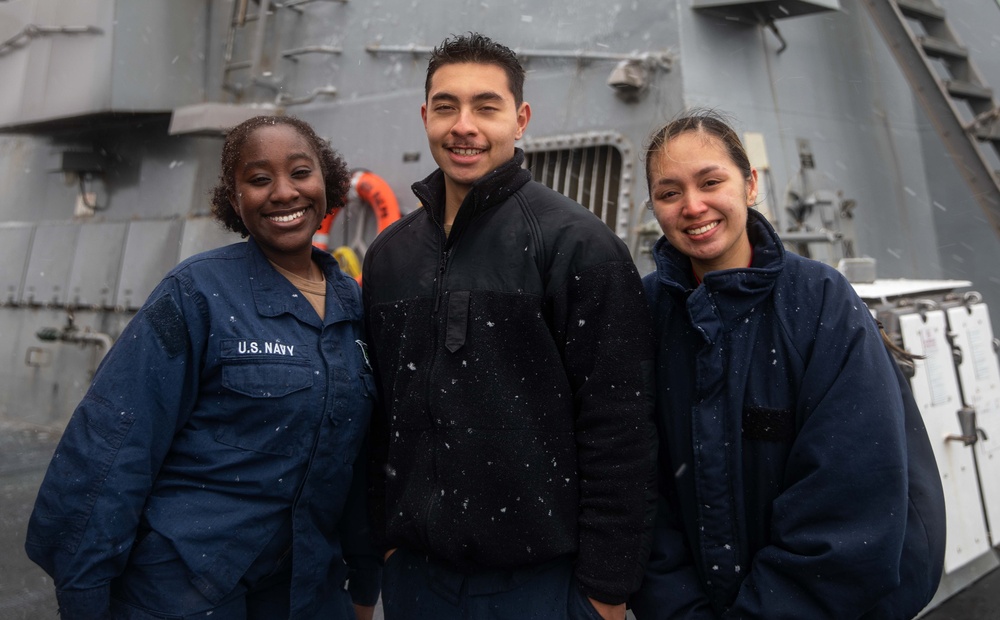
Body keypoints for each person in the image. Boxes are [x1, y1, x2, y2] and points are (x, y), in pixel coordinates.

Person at [25, 115, 380, 620]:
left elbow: (360, 463)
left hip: (306, 589)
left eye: (301, 172)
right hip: (186, 588)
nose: (284, 192)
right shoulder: (197, 294)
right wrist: (84, 594)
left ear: (327, 182)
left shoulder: (354, 305)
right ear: (235, 201)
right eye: (258, 180)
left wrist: (363, 580)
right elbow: (114, 445)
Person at [361, 33, 657, 620]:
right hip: (418, 582)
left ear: (520, 120)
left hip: (542, 587)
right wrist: (386, 551)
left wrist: (605, 593)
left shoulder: (578, 245)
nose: (463, 125)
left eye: (486, 107)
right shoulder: (390, 257)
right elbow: (381, 418)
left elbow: (620, 429)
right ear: (425, 117)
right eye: (446, 106)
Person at [629, 110, 946, 619]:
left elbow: (850, 494)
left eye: (711, 182)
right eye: (669, 193)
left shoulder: (821, 302)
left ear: (750, 184)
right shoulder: (643, 313)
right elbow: (641, 488)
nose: (693, 206)